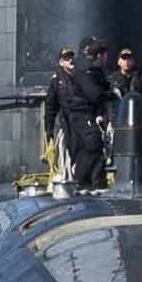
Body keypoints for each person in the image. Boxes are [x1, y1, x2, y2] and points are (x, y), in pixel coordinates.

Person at [66, 37, 110, 189]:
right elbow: (94, 94)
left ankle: (95, 184)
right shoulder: (85, 71)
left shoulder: (94, 71)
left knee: (96, 149)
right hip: (83, 114)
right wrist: (110, 94)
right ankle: (80, 182)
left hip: (90, 113)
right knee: (92, 145)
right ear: (98, 55)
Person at [44, 46, 77, 180]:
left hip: (83, 120)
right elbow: (51, 106)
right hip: (67, 122)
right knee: (69, 151)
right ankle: (70, 178)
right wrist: (49, 129)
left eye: (71, 57)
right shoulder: (56, 81)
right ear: (61, 62)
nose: (70, 60)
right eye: (66, 58)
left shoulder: (81, 76)